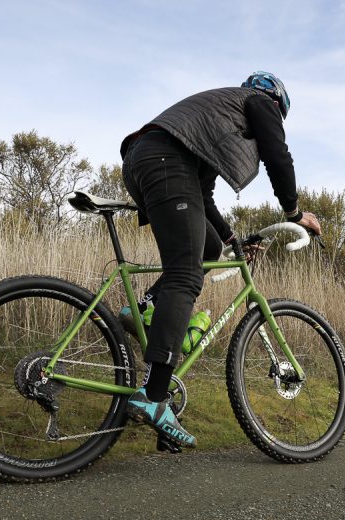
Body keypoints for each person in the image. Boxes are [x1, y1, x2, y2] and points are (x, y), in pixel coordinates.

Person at [120, 71, 322, 449]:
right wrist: (295, 213)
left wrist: (232, 239)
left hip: (143, 158)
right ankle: (153, 396)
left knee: (208, 250)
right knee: (186, 274)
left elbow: (202, 196)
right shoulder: (258, 102)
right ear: (277, 102)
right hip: (165, 160)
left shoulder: (214, 120)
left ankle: (144, 307)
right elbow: (279, 156)